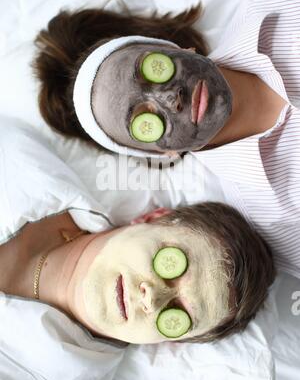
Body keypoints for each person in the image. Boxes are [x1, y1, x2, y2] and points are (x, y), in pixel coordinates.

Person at [31, 0, 300, 279]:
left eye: (153, 71)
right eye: (144, 120)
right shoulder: (273, 219)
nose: (170, 98)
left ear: (176, 48)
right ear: (162, 153)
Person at [0, 117, 275, 345]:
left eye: (179, 314)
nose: (153, 299)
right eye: (174, 264)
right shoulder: (17, 156)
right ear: (154, 217)